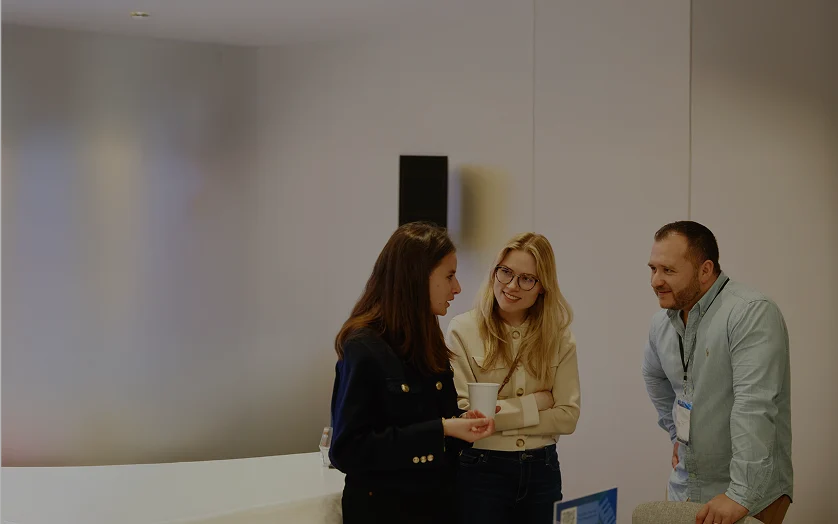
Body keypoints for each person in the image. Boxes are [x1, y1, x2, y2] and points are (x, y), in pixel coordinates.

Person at [329, 221, 496, 524]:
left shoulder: (429, 340)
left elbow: (434, 427)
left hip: (439, 506)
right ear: (417, 277)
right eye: (449, 276)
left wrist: (462, 426)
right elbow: (347, 450)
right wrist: (442, 430)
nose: (457, 288)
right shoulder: (364, 346)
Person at [642, 221, 793, 524]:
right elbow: (654, 377)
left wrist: (741, 493)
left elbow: (754, 406)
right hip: (686, 485)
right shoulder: (662, 323)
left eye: (668, 271)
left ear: (705, 270)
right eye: (653, 268)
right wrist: (676, 434)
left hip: (746, 495)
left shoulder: (750, 312)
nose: (656, 280)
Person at [447, 232, 580, 524]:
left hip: (542, 468)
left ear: (542, 287)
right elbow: (464, 414)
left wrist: (497, 417)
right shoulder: (462, 330)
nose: (510, 286)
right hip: (482, 469)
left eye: (526, 279)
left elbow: (568, 416)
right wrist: (538, 403)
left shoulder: (560, 337)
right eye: (505, 272)